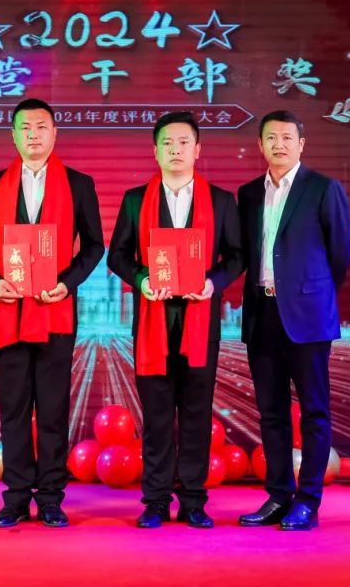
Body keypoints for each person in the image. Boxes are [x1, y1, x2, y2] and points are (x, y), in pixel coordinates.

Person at [0, 98, 104, 528]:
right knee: (13, 409)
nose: (33, 134)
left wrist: (68, 282)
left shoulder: (78, 184)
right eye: (25, 128)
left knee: (52, 410)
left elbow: (95, 245)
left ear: (54, 133)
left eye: (41, 127)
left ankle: (50, 498)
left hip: (54, 311)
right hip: (8, 310)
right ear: (13, 135)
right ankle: (14, 498)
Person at [108, 111, 243, 529]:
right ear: (155, 151)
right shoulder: (135, 200)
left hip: (201, 326)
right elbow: (117, 256)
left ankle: (193, 501)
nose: (176, 150)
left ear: (198, 150)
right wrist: (142, 280)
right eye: (167, 143)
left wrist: (213, 283)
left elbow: (237, 256)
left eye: (184, 142)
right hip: (153, 326)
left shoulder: (221, 201)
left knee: (197, 416)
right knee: (157, 417)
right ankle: (155, 501)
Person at [236, 110, 350, 531]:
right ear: (260, 145)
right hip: (262, 314)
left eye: (287, 137)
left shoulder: (323, 189)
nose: (279, 144)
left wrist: (308, 293)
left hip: (307, 317)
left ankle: (308, 501)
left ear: (301, 144)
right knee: (271, 413)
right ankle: (278, 495)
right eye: (271, 137)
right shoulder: (249, 193)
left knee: (314, 412)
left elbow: (340, 255)